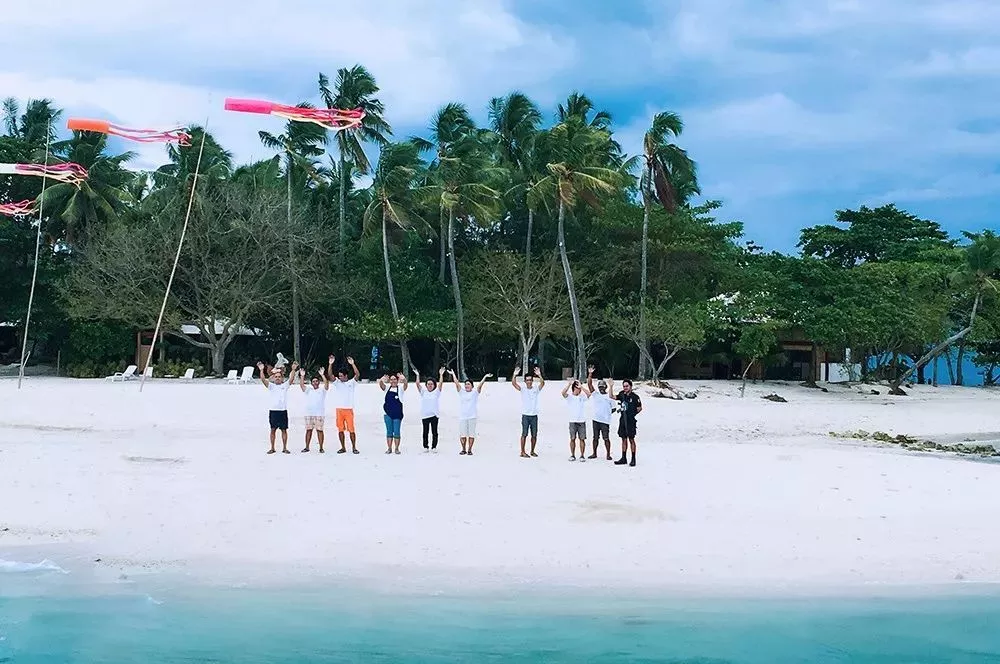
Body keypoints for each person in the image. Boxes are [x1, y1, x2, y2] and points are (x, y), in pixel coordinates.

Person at [257, 360, 298, 455]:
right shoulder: (271, 386)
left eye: (279, 377)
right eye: (276, 377)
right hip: (273, 411)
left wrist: (293, 369)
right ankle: (272, 448)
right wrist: (261, 370)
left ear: (282, 378)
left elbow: (291, 379)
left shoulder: (285, 385)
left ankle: (284, 448)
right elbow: (263, 380)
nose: (278, 378)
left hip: (283, 411)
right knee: (273, 430)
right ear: (273, 378)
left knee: (284, 430)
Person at [451, 370, 491, 455]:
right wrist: (453, 374)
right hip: (463, 417)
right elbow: (456, 383)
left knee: (471, 434)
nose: (466, 385)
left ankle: (469, 449)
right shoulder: (462, 392)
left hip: (472, 416)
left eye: (468, 384)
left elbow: (480, 385)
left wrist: (485, 377)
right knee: (463, 434)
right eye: (466, 384)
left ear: (472, 386)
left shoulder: (475, 393)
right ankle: (463, 449)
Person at [512, 365, 545, 458]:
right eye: (527, 380)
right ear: (525, 381)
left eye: (530, 380)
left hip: (534, 415)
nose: (529, 381)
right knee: (524, 434)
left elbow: (542, 383)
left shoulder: (536, 389)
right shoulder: (523, 389)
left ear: (532, 381)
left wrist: (539, 375)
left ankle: (532, 451)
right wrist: (514, 374)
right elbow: (514, 384)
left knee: (534, 435)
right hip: (525, 415)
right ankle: (522, 451)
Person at [330, 355, 360, 454]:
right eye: (339, 376)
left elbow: (357, 374)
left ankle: (354, 447)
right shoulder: (337, 383)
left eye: (341, 376)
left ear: (346, 376)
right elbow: (330, 375)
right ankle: (343, 447)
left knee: (351, 430)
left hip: (348, 409)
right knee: (340, 430)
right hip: (339, 410)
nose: (339, 377)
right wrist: (330, 364)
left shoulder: (351, 383)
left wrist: (353, 364)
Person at [298, 365, 330, 453]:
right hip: (309, 413)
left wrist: (323, 375)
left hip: (319, 414)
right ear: (311, 383)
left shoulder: (322, 390)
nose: (315, 383)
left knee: (320, 430)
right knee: (309, 430)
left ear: (319, 382)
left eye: (316, 381)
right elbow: (302, 385)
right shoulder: (309, 390)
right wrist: (302, 376)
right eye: (313, 381)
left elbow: (327, 384)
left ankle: (321, 448)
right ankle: (307, 447)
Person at [414, 366, 446, 452]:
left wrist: (441, 374)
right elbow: (417, 384)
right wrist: (417, 375)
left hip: (434, 415)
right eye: (428, 384)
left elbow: (441, 383)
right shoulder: (423, 392)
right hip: (425, 415)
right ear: (426, 385)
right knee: (425, 432)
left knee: (434, 432)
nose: (430, 385)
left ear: (434, 385)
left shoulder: (436, 392)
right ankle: (425, 446)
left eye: (431, 384)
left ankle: (434, 447)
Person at [587, 366, 614, 460]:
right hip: (596, 419)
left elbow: (613, 408)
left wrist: (606, 414)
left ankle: (608, 454)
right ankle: (594, 453)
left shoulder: (609, 396)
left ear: (606, 387)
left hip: (605, 420)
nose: (601, 388)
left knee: (606, 438)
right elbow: (589, 384)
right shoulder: (596, 394)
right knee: (595, 438)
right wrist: (590, 374)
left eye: (603, 387)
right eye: (600, 387)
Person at [614, 379, 643, 467]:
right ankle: (623, 458)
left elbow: (639, 408)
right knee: (623, 438)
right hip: (623, 419)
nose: (625, 388)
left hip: (630, 420)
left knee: (631, 439)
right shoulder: (622, 394)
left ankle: (633, 459)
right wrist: (611, 386)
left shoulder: (635, 397)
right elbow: (612, 396)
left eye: (627, 386)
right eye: (624, 386)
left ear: (630, 386)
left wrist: (632, 414)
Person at [561, 378, 591, 461]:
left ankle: (582, 455)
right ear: (574, 388)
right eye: (578, 388)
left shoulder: (582, 397)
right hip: (572, 420)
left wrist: (582, 387)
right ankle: (572, 455)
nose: (579, 390)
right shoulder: (570, 397)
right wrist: (569, 384)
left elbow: (589, 394)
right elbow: (563, 393)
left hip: (581, 421)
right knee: (572, 438)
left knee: (582, 439)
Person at [378, 372, 408, 454]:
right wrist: (381, 380)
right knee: (389, 431)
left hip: (397, 414)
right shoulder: (387, 388)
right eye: (391, 379)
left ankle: (397, 448)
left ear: (397, 380)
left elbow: (406, 385)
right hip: (387, 414)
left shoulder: (400, 389)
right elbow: (381, 385)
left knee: (397, 431)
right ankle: (389, 448)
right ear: (389, 381)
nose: (393, 381)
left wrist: (404, 379)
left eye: (394, 379)